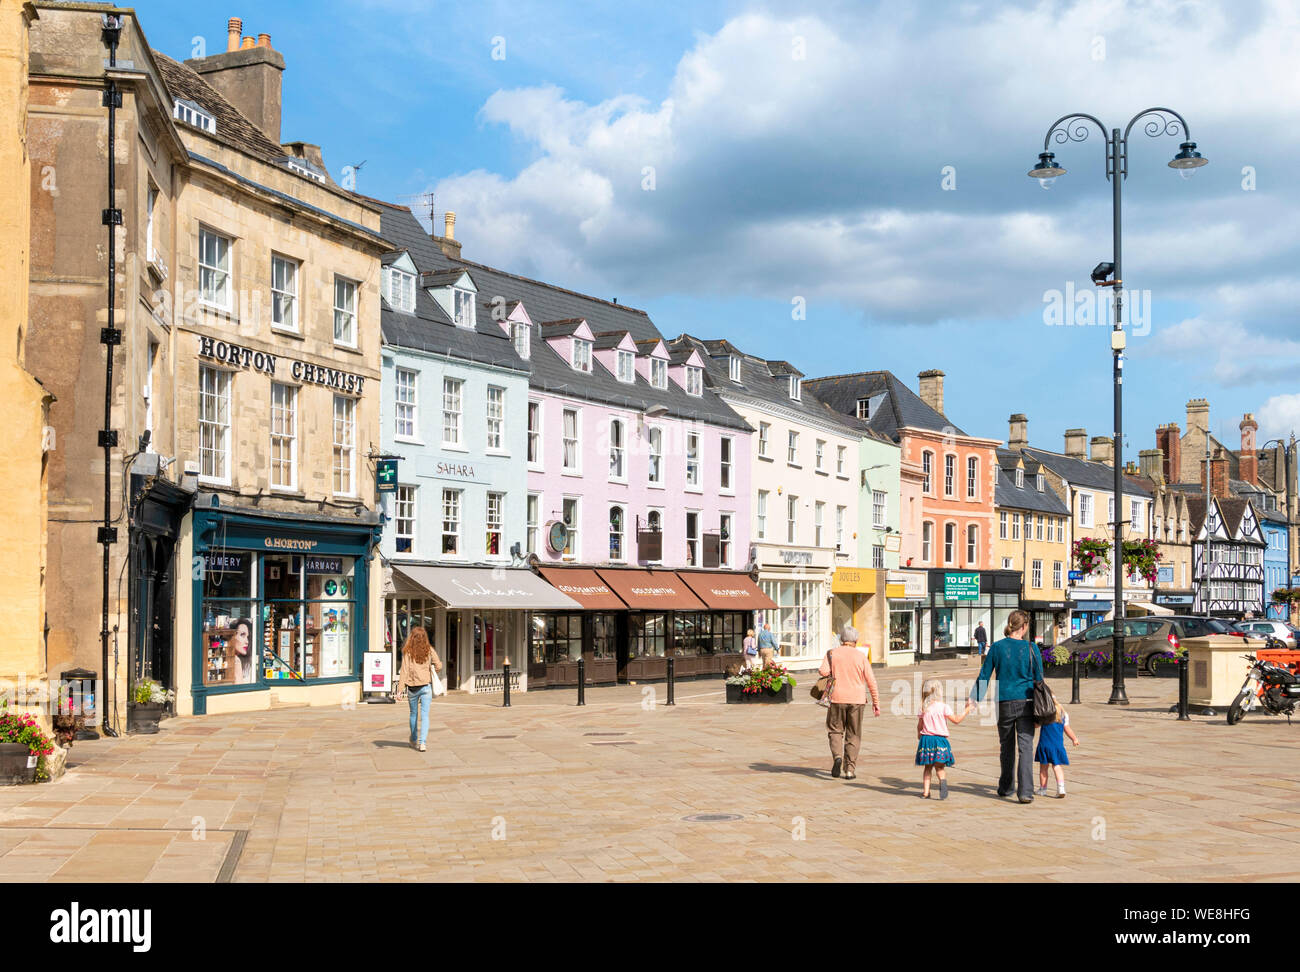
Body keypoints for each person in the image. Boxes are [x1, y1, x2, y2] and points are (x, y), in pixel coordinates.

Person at [969, 609, 1043, 803]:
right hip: (1027, 702)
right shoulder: (1032, 648)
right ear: (1024, 627)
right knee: (1026, 747)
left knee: (1007, 746)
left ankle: (1006, 786)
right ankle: (1026, 791)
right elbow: (1039, 679)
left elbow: (985, 674)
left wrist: (974, 697)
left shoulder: (997, 648)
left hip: (1004, 702)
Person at [818, 624, 881, 781]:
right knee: (853, 734)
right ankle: (850, 770)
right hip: (857, 700)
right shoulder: (861, 656)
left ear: (841, 639)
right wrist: (876, 702)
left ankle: (837, 757)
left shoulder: (831, 653)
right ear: (856, 641)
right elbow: (871, 680)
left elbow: (823, 671)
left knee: (835, 730)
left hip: (836, 698)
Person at [916, 678, 975, 799]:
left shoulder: (923, 707)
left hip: (927, 740)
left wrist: (919, 734)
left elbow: (920, 725)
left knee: (927, 768)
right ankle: (942, 782)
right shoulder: (943, 707)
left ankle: (926, 793)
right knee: (940, 767)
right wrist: (967, 710)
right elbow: (956, 720)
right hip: (940, 741)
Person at [394, 626, 442, 752]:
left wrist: (399, 690)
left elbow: (404, 671)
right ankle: (423, 743)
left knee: (413, 714)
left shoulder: (407, 652)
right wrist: (432, 670)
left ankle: (413, 739)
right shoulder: (429, 650)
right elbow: (439, 665)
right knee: (425, 716)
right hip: (426, 686)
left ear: (412, 638)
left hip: (412, 688)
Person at [1035, 688, 1080, 799]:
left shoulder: (1045, 712)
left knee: (1043, 768)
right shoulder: (1063, 713)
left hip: (1044, 744)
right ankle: (1061, 788)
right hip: (1058, 745)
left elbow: (1036, 725)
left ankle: (1043, 789)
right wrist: (1074, 739)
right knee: (1057, 766)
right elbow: (1067, 728)